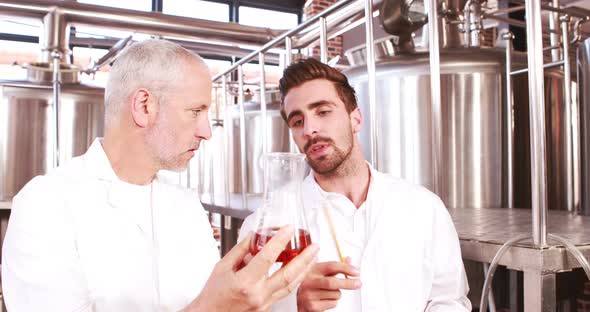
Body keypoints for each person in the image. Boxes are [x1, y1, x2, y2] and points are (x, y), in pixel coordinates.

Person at [1, 39, 319, 312]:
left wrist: (279, 298)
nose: (207, 131)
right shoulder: (46, 204)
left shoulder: (185, 205)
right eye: (196, 111)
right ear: (144, 106)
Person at [239, 58, 471, 311]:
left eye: (323, 111)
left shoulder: (424, 207)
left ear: (356, 119)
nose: (310, 129)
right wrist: (293, 305)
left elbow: (448, 300)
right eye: (297, 121)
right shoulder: (263, 228)